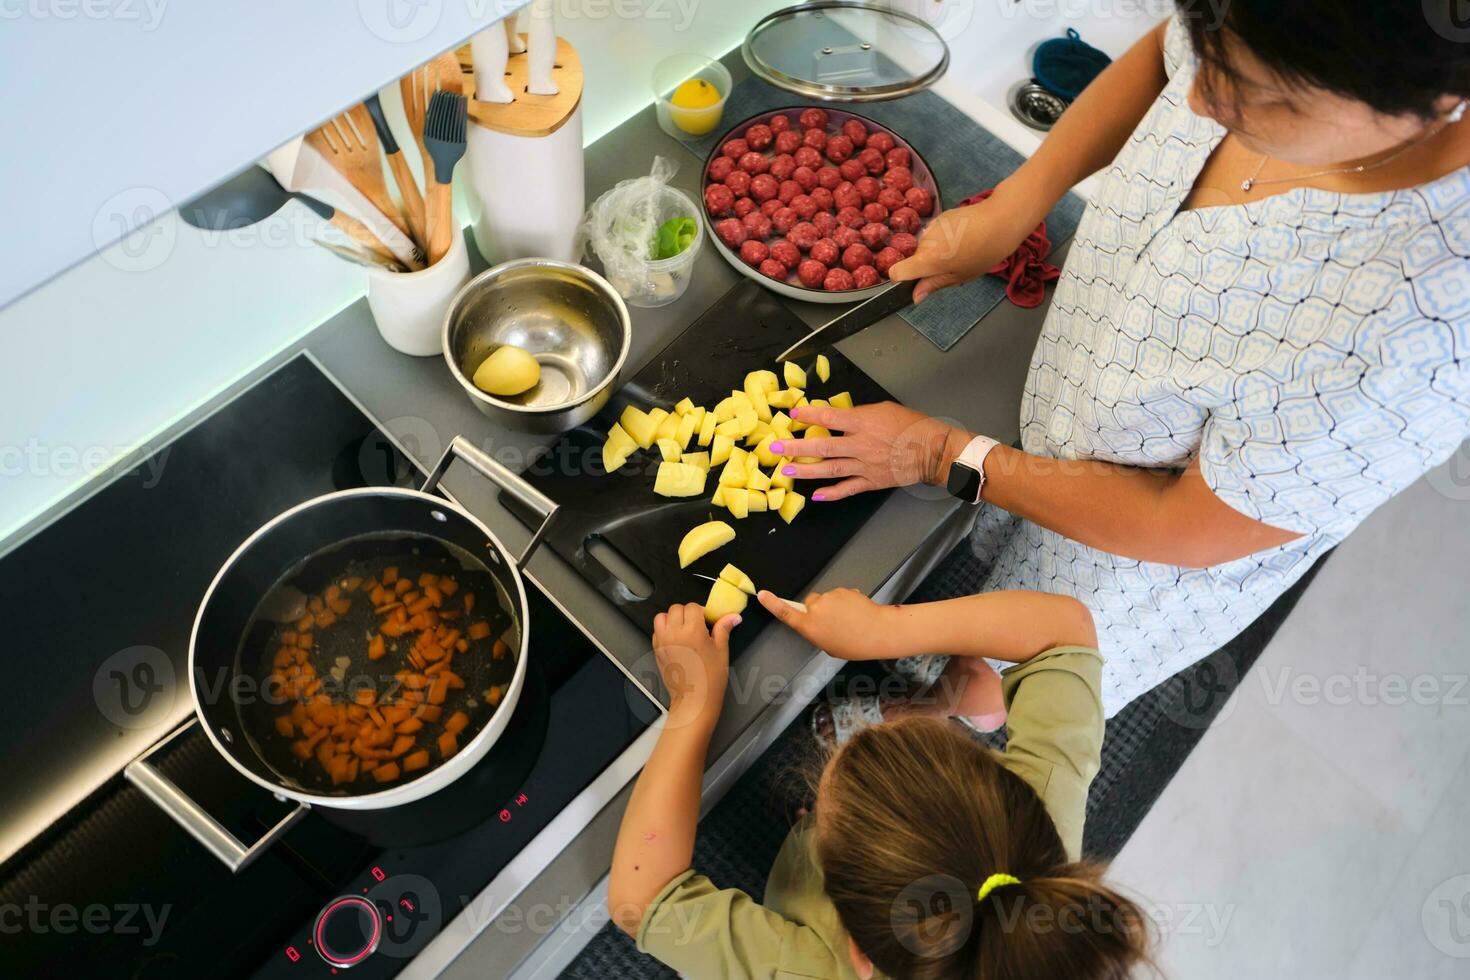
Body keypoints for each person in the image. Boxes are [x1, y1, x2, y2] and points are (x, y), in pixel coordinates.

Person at [769, 1, 1470, 719]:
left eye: (1267, 96)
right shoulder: (1250, 34)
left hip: (1130, 555)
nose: (1196, 100)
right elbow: (1163, 60)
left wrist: (945, 455)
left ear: (1435, 100)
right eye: (1211, 48)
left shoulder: (1424, 336)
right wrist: (1017, 204)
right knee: (983, 585)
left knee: (1007, 668)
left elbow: (1184, 525)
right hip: (1062, 403)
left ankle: (931, 718)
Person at [608, 594, 1152, 979]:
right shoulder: (1041, 830)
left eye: (830, 815)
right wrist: (882, 628)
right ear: (1001, 785)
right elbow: (1066, 631)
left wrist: (694, 706)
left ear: (860, 956)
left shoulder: (814, 970)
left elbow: (641, 898)